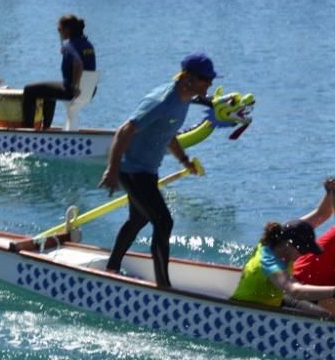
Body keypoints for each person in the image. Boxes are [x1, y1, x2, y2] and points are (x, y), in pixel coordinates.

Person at [98, 53, 216, 288]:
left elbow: (167, 132)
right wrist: (112, 170)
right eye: (205, 79)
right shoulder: (164, 100)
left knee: (139, 218)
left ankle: (112, 266)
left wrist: (184, 160)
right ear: (189, 77)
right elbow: (125, 130)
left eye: (211, 79)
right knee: (163, 222)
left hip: (147, 171)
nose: (209, 84)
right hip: (132, 170)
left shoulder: (183, 100)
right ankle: (163, 286)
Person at [231, 179, 335, 317]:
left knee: (326, 315)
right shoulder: (269, 263)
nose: (302, 255)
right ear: (288, 244)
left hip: (277, 300)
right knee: (324, 317)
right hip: (249, 312)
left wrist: (330, 191)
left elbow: (322, 214)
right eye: (302, 250)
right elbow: (295, 290)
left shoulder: (283, 233)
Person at [22, 14, 96, 129]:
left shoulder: (69, 46)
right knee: (47, 90)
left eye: (59, 29)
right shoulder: (88, 44)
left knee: (29, 90)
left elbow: (78, 64)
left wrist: (75, 86)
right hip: (90, 90)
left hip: (73, 91)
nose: (58, 32)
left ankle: (27, 131)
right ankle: (46, 128)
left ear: (67, 30)